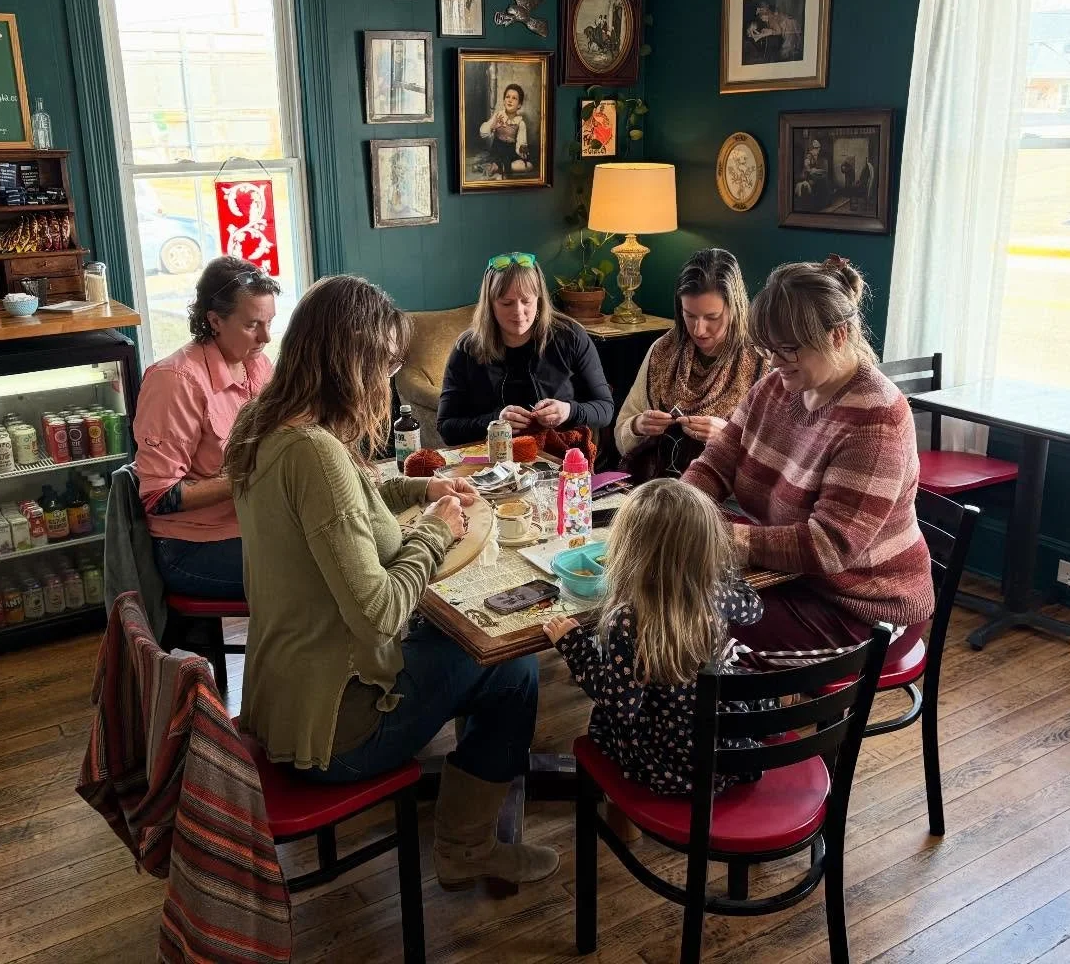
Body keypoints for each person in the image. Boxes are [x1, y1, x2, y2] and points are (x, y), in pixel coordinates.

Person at [226, 274, 559, 891]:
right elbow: (379, 614)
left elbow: (346, 502)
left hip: (280, 701)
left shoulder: (264, 425)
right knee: (512, 665)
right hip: (334, 730)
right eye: (383, 366)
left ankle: (467, 830)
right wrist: (434, 530)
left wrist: (421, 489)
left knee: (464, 643)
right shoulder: (316, 455)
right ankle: (468, 847)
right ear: (349, 364)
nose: (386, 382)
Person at [681, 256, 934, 668]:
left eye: (788, 349)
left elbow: (827, 547)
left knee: (687, 632)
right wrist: (677, 506)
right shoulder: (776, 387)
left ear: (837, 335)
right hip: (796, 582)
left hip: (864, 609)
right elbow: (716, 462)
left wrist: (716, 538)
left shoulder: (876, 419)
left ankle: (757, 732)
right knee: (667, 601)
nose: (775, 361)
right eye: (769, 348)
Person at [542, 478, 766, 796]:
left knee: (604, 721)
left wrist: (574, 646)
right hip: (723, 748)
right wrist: (723, 574)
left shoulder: (628, 619)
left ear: (628, 549)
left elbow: (621, 705)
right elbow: (753, 609)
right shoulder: (714, 592)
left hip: (671, 761)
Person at [132, 256, 279, 601]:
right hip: (191, 546)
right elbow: (158, 497)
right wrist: (250, 476)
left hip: (251, 526)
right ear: (214, 320)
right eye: (252, 325)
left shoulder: (257, 365)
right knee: (316, 573)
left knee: (343, 547)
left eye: (270, 322)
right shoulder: (176, 381)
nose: (266, 337)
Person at [615, 248, 763, 481]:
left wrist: (729, 437)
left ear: (735, 308)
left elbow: (781, 464)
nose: (699, 330)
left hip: (726, 502)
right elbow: (621, 435)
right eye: (690, 315)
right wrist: (637, 426)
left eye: (712, 317)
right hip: (655, 486)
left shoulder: (763, 360)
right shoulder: (662, 350)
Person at [437, 252, 614, 446]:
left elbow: (605, 409)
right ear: (490, 304)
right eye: (506, 303)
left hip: (561, 461)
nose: (518, 312)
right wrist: (494, 421)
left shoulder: (571, 336)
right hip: (492, 463)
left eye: (526, 301)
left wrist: (568, 411)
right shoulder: (467, 348)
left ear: (539, 299)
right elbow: (446, 428)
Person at [478, 84, 532, 176]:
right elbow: (483, 133)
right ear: (504, 101)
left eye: (514, 98)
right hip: (497, 150)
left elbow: (521, 143)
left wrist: (522, 149)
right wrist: (492, 126)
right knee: (492, 158)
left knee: (528, 166)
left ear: (519, 105)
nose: (510, 100)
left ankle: (498, 167)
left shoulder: (520, 123)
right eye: (507, 97)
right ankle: (498, 166)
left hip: (511, 153)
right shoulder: (498, 116)